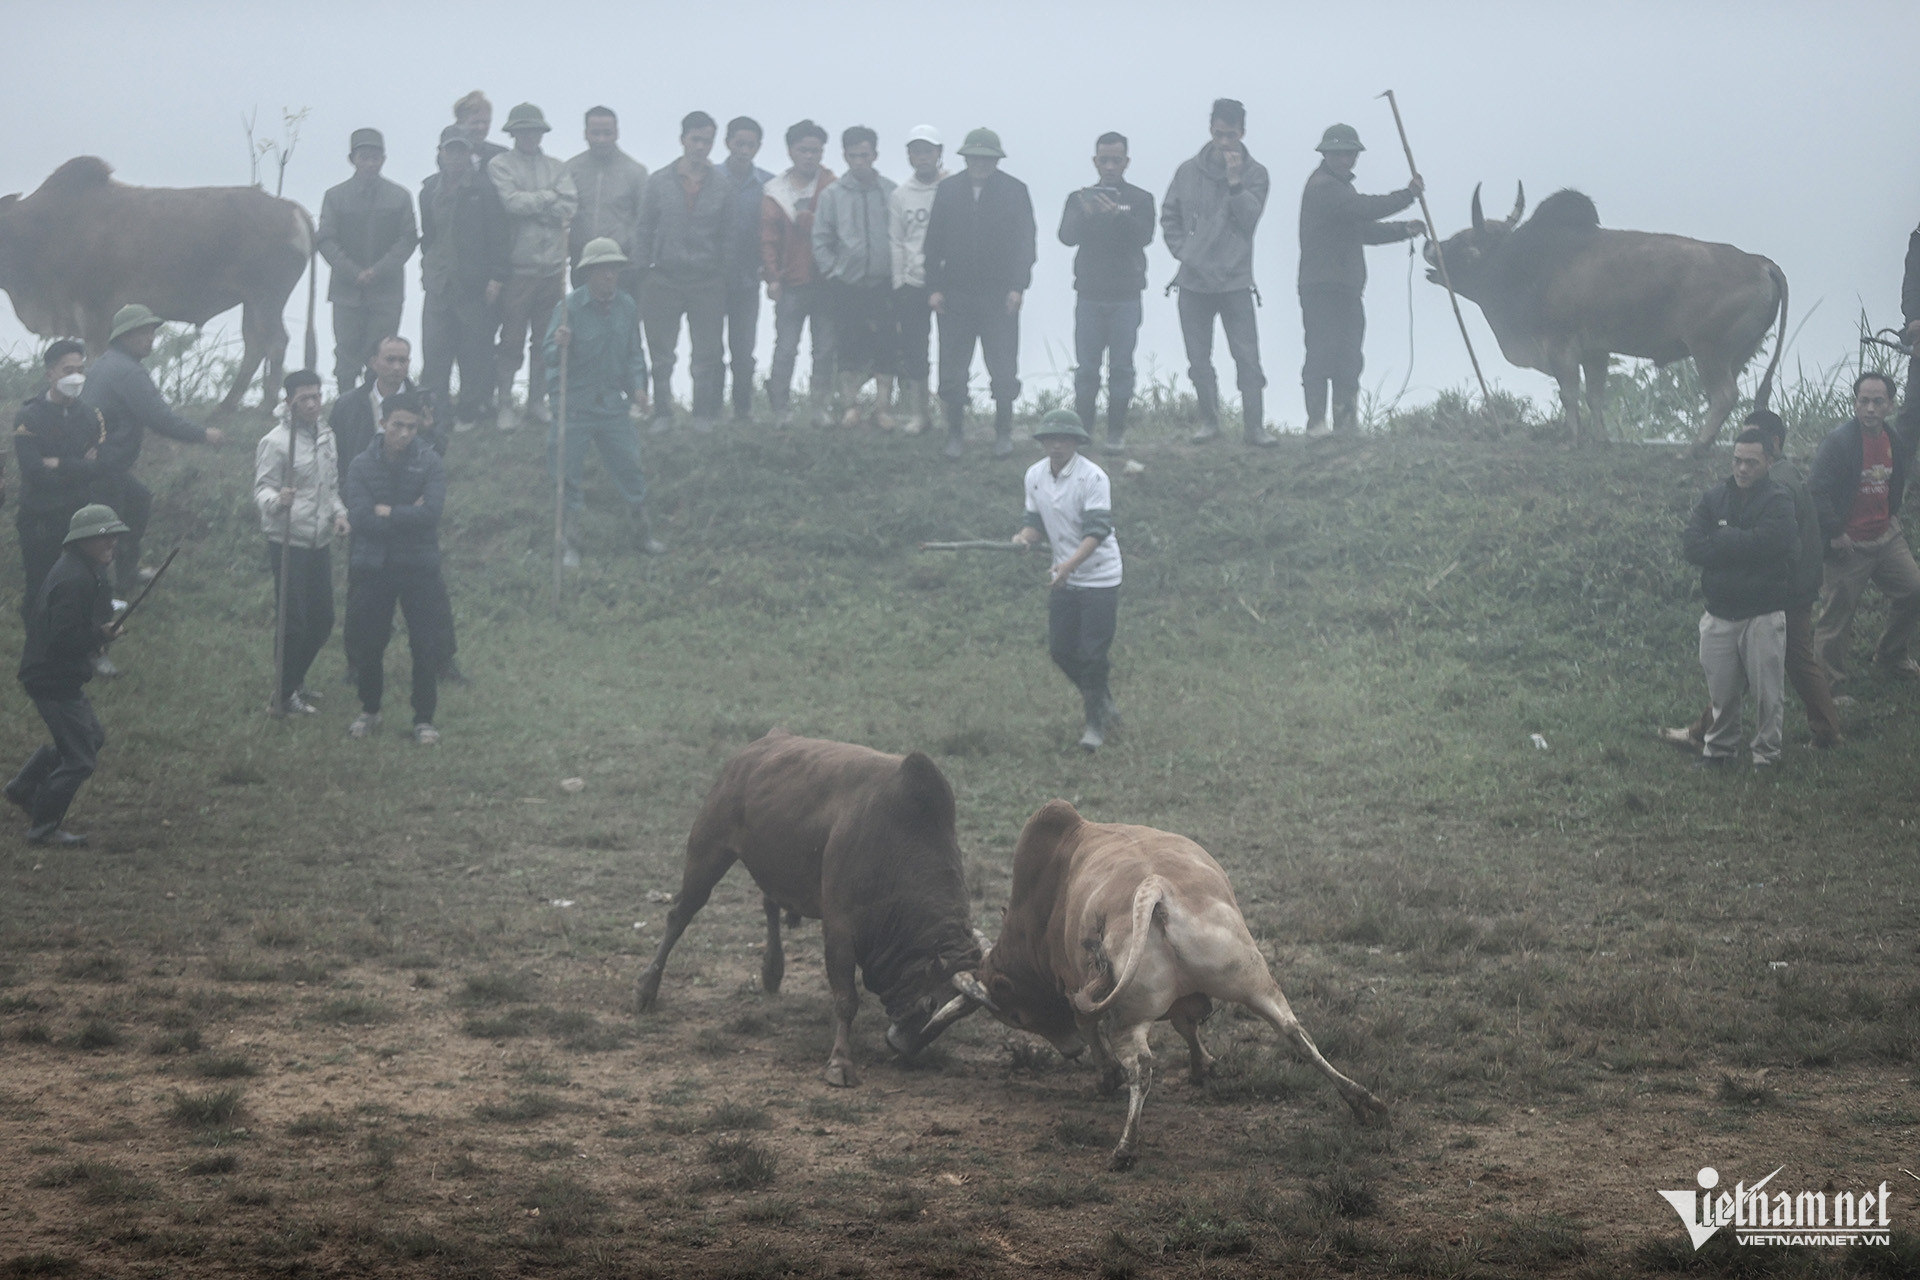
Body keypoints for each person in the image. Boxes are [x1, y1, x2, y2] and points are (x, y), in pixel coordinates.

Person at [1662, 411, 1845, 751]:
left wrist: (1726, 540)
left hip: (1784, 589)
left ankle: (1709, 734)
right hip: (1795, 584)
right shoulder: (1784, 473)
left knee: (1755, 666)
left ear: (1772, 446)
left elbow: (1774, 542)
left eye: (1754, 441)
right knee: (1786, 661)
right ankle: (1825, 730)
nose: (1745, 455)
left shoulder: (1777, 484)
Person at [81, 304, 226, 607]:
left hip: (104, 464)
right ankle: (99, 594)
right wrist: (204, 434)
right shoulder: (126, 371)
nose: (151, 338)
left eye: (152, 331)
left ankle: (126, 573)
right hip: (103, 466)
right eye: (143, 332)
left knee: (138, 501)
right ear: (125, 336)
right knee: (104, 529)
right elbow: (159, 418)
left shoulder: (109, 363)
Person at [9, 503, 129, 844]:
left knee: (90, 738)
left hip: (55, 675)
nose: (111, 545)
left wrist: (96, 635)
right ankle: (43, 828)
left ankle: (24, 787)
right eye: (103, 539)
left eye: (114, 538)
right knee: (80, 758)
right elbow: (62, 637)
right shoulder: (75, 579)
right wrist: (99, 636)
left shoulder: (80, 569)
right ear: (82, 541)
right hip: (53, 679)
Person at [1162, 99, 1277, 447]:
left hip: (1235, 281)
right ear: (1210, 127)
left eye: (1230, 135)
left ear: (1242, 132)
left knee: (1247, 357)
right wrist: (1184, 251)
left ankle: (1254, 428)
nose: (1223, 141)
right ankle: (1209, 423)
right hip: (1193, 281)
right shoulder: (1186, 172)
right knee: (1198, 358)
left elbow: (1249, 219)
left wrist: (1235, 182)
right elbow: (1169, 216)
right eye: (1218, 133)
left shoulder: (1256, 174)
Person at [1297, 124, 1424, 438]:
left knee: (1349, 356)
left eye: (1349, 154)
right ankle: (1316, 425)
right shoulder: (1323, 186)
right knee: (1322, 353)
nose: (1344, 159)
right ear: (1325, 154)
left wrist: (1402, 230)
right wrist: (1407, 195)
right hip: (1322, 286)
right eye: (1338, 153)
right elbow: (1364, 209)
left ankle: (1345, 425)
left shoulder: (1340, 189)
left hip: (1346, 286)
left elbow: (1362, 230)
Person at [1681, 427, 1797, 767]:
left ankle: (1766, 755)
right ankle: (1719, 751)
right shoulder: (1714, 496)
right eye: (1737, 460)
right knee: (1722, 692)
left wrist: (1724, 539)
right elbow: (1692, 546)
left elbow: (1773, 545)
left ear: (1768, 462)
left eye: (1751, 462)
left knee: (1767, 694)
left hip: (1762, 612)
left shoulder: (1779, 499)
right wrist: (1742, 544)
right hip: (1718, 612)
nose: (1742, 469)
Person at [545, 237, 665, 566]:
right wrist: (560, 345)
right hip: (574, 407)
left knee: (631, 467)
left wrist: (638, 389)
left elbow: (633, 355)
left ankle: (642, 534)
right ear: (588, 275)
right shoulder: (567, 308)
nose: (609, 276)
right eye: (602, 271)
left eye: (613, 269)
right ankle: (570, 542)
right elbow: (548, 357)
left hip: (613, 406)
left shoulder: (627, 306)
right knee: (565, 474)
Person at [1012, 409, 1122, 752]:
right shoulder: (1034, 475)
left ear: (1075, 442)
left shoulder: (1093, 478)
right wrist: (1024, 537)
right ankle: (1101, 696)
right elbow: (1035, 521)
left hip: (1099, 576)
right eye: (1050, 439)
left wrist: (1069, 566)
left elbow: (1097, 531)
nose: (1056, 445)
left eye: (1063, 439)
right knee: (1061, 650)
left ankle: (1094, 727)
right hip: (1064, 576)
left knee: (1092, 653)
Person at [923, 127, 1036, 459]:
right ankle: (954, 433)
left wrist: (1018, 286)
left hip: (999, 296)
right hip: (955, 294)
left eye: (987, 159)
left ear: (996, 160)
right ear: (965, 158)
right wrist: (934, 287)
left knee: (1002, 367)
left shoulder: (1015, 191)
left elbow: (1025, 244)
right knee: (952, 368)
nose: (980, 164)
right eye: (974, 157)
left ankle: (1004, 433)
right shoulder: (947, 190)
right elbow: (932, 242)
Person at [343, 392, 450, 745]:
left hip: (419, 567)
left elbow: (431, 514)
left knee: (425, 644)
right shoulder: (360, 464)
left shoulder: (431, 462)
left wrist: (386, 511)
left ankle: (424, 719)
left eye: (412, 427)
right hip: (374, 566)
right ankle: (370, 709)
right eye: (398, 425)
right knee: (370, 644)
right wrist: (407, 513)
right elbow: (359, 517)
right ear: (383, 423)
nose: (405, 434)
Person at [1808, 371, 1920, 683]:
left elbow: (1897, 481)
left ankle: (1891, 655)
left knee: (1914, 591)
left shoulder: (1894, 439)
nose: (1870, 408)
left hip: (1886, 536)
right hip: (1848, 544)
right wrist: (1836, 533)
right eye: (1864, 401)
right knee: (1837, 616)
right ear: (1855, 404)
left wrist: (1891, 516)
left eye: (1878, 402)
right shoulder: (1838, 443)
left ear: (1891, 405)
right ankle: (1830, 683)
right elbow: (1815, 490)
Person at [254, 370, 348, 717]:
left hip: (318, 539)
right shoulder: (275, 441)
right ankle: (281, 696)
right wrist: (278, 500)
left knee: (322, 619)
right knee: (292, 621)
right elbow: (261, 487)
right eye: (304, 398)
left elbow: (331, 487)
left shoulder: (326, 436)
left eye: (317, 396)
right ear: (289, 402)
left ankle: (294, 680)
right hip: (287, 539)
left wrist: (339, 514)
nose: (312, 404)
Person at [1059, 132, 1156, 455]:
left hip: (1126, 296)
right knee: (1086, 369)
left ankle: (1116, 433)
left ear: (1126, 162)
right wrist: (1086, 213)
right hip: (1088, 295)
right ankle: (1082, 432)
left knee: (1122, 368)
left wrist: (1118, 214)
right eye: (1104, 160)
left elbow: (1144, 236)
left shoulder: (1141, 199)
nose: (1110, 166)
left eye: (1117, 160)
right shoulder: (1079, 198)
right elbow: (1065, 237)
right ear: (1095, 161)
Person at [637, 111, 731, 431]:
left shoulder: (722, 185)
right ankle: (663, 412)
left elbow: (729, 234)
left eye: (707, 141)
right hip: (664, 277)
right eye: (695, 139)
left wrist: (723, 275)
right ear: (683, 140)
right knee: (662, 353)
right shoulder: (658, 181)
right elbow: (643, 229)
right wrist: (643, 271)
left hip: (707, 280)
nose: (701, 147)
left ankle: (702, 414)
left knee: (706, 353)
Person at [489, 104, 577, 430]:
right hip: (518, 268)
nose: (529, 136)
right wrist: (548, 198)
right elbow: (510, 203)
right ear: (513, 133)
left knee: (546, 339)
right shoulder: (500, 164)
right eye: (523, 130)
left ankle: (537, 402)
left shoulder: (558, 167)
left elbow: (569, 206)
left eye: (535, 130)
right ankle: (505, 404)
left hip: (554, 267)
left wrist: (535, 201)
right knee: (511, 339)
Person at [315, 129, 418, 395]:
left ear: (383, 159)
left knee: (383, 355)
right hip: (346, 292)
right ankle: (346, 409)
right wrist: (352, 272)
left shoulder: (399, 196)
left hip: (386, 292)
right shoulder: (335, 196)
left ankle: (381, 410)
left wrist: (378, 271)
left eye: (375, 157)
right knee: (346, 355)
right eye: (364, 157)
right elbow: (325, 239)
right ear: (353, 159)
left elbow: (408, 239)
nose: (370, 163)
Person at [419, 126, 510, 428]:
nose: (455, 157)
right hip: (438, 285)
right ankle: (436, 414)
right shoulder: (428, 190)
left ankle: (471, 413)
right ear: (440, 154)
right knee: (435, 352)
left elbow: (499, 236)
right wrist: (428, 270)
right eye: (450, 150)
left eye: (461, 151)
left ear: (469, 154)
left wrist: (497, 276)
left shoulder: (484, 189)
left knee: (475, 352)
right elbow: (429, 237)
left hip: (474, 285)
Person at [814, 125, 898, 428]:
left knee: (886, 345)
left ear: (875, 154)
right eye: (853, 156)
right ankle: (851, 406)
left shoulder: (891, 192)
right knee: (847, 344)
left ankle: (883, 408)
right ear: (845, 156)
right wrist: (832, 271)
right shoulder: (832, 195)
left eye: (865, 155)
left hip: (884, 282)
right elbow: (820, 238)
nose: (860, 161)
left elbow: (901, 236)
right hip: (846, 284)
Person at [15, 340, 105, 615]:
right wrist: (79, 468)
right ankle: (38, 650)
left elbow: (100, 468)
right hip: (41, 517)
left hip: (82, 515)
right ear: (50, 374)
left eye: (80, 369)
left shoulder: (91, 416)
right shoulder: (29, 417)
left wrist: (60, 463)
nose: (76, 376)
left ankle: (88, 647)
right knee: (41, 588)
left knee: (87, 586)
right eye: (68, 370)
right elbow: (36, 473)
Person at [761, 120, 836, 428]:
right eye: (803, 150)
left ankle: (819, 408)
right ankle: (781, 410)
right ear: (791, 151)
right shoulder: (775, 191)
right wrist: (772, 277)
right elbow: (767, 239)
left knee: (825, 347)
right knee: (786, 348)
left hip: (826, 282)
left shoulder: (833, 186)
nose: (809, 156)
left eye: (815, 150)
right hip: (791, 282)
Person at [889, 125, 947, 435]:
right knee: (914, 348)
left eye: (928, 150)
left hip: (947, 280)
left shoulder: (952, 186)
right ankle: (919, 412)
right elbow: (896, 240)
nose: (922, 156)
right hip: (912, 282)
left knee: (951, 348)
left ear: (939, 153)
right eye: (916, 151)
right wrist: (899, 282)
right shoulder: (901, 194)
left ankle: (952, 412)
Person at [565, 106, 648, 302]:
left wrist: (636, 261)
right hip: (582, 265)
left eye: (607, 133)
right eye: (595, 133)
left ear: (617, 133)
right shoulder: (570, 170)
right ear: (585, 133)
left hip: (622, 267)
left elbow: (644, 222)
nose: (601, 139)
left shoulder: (635, 172)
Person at [720, 117, 772, 424]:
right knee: (710, 350)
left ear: (758, 147)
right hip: (712, 278)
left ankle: (743, 410)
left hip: (748, 279)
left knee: (743, 350)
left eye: (750, 145)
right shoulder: (711, 178)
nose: (743, 150)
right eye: (738, 143)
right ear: (727, 143)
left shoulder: (768, 184)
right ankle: (709, 409)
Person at [329, 336, 418, 485]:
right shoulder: (347, 404)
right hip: (356, 489)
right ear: (374, 363)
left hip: (408, 490)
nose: (396, 367)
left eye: (402, 361)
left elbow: (438, 449)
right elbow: (335, 452)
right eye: (390, 360)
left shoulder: (423, 402)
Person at [452, 91, 507, 171]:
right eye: (475, 122)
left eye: (486, 122)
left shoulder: (501, 155)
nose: (481, 127)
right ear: (460, 123)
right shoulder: (450, 156)